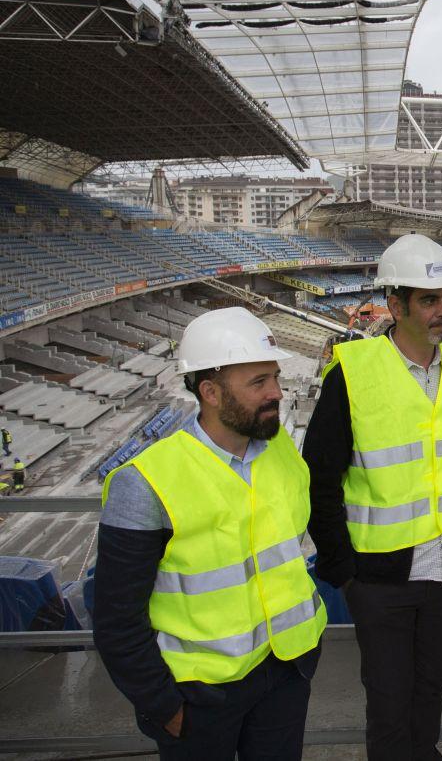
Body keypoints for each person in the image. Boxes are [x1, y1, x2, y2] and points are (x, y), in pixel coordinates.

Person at [94, 307, 325, 760]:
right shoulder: (145, 482)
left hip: (285, 674)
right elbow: (116, 619)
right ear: (211, 392)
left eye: (274, 378)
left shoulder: (280, 450)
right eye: (258, 383)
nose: (276, 393)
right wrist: (164, 706)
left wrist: (301, 662)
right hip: (198, 698)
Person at [304, 233, 442, 761]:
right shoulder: (353, 375)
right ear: (395, 304)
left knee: (431, 688)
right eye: (430, 300)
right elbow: (318, 476)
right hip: (379, 578)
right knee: (388, 702)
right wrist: (343, 568)